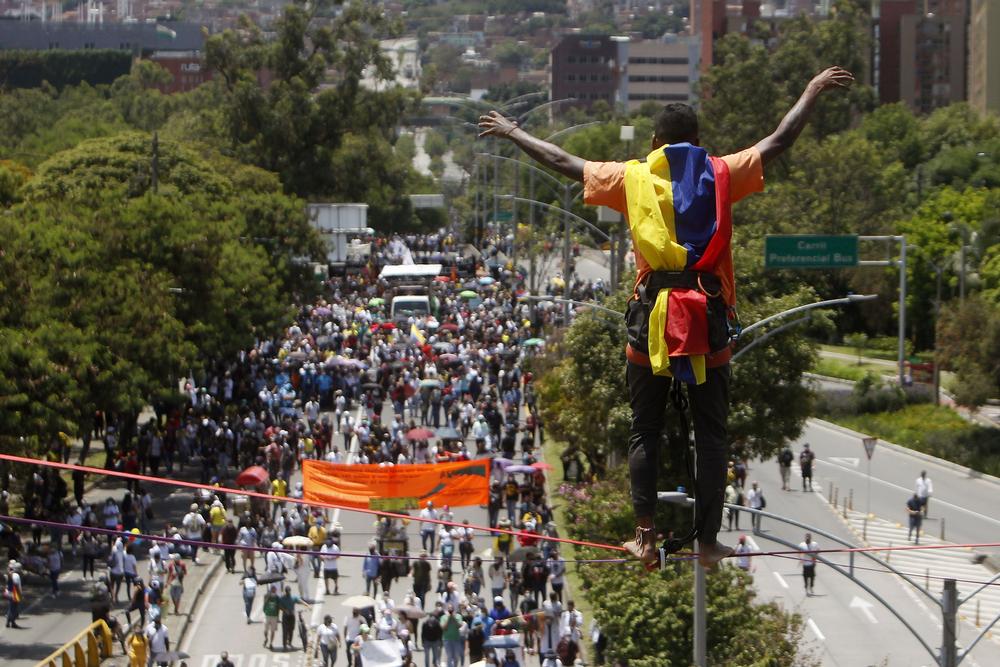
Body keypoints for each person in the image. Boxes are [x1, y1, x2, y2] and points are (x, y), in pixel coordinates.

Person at [479, 66, 854, 568]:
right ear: (699, 142)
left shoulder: (631, 177)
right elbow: (779, 140)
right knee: (713, 432)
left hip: (650, 319)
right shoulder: (723, 171)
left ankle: (645, 536)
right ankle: (706, 541)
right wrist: (810, 89)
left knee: (644, 430)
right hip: (710, 319)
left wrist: (514, 132)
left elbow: (564, 162)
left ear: (655, 142)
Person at [279, 585, 311, 650]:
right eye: (287, 592)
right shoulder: (282, 598)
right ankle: (284, 645)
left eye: (289, 591)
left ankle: (290, 642)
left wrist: (307, 605)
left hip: (292, 615)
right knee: (285, 631)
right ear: (285, 592)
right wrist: (285, 610)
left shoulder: (293, 597)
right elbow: (279, 606)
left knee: (291, 630)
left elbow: (300, 601)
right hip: (285, 616)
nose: (288, 593)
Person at [5, 560, 22, 628]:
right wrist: (19, 594)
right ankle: (11, 622)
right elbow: (16, 585)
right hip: (14, 593)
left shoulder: (9, 574)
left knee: (11, 607)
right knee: (14, 608)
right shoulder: (16, 575)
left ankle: (10, 622)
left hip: (9, 593)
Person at [263, 585, 281, 649]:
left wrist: (278, 616)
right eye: (272, 589)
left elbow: (279, 607)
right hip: (267, 615)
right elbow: (264, 603)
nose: (274, 590)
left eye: (274, 589)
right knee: (265, 630)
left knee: (272, 631)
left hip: (274, 616)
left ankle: (271, 643)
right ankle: (266, 638)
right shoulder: (267, 596)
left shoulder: (277, 598)